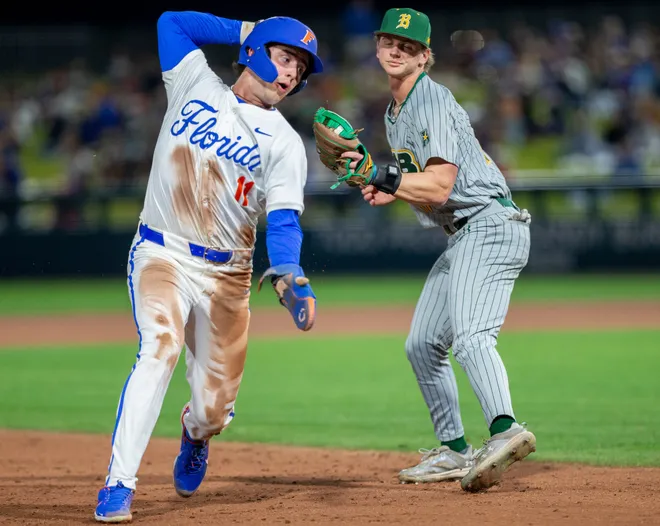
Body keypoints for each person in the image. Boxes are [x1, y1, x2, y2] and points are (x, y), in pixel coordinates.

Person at [94, 10, 322, 522]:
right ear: (256, 51)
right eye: (285, 57)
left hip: (228, 276)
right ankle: (118, 485)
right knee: (159, 348)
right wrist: (248, 29)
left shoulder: (284, 142)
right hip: (162, 252)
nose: (290, 74)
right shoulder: (196, 82)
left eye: (300, 69)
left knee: (213, 409)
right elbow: (171, 22)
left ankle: (195, 435)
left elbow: (284, 221)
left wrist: (288, 271)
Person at [340, 8, 536, 492]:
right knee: (423, 345)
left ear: (425, 57)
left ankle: (505, 429)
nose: (396, 49)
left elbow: (442, 185)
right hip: (464, 232)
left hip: (488, 224)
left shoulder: (428, 99)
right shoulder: (394, 113)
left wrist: (384, 176)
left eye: (408, 46)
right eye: (389, 40)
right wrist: (391, 187)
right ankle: (452, 449)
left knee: (471, 338)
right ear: (378, 45)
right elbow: (425, 190)